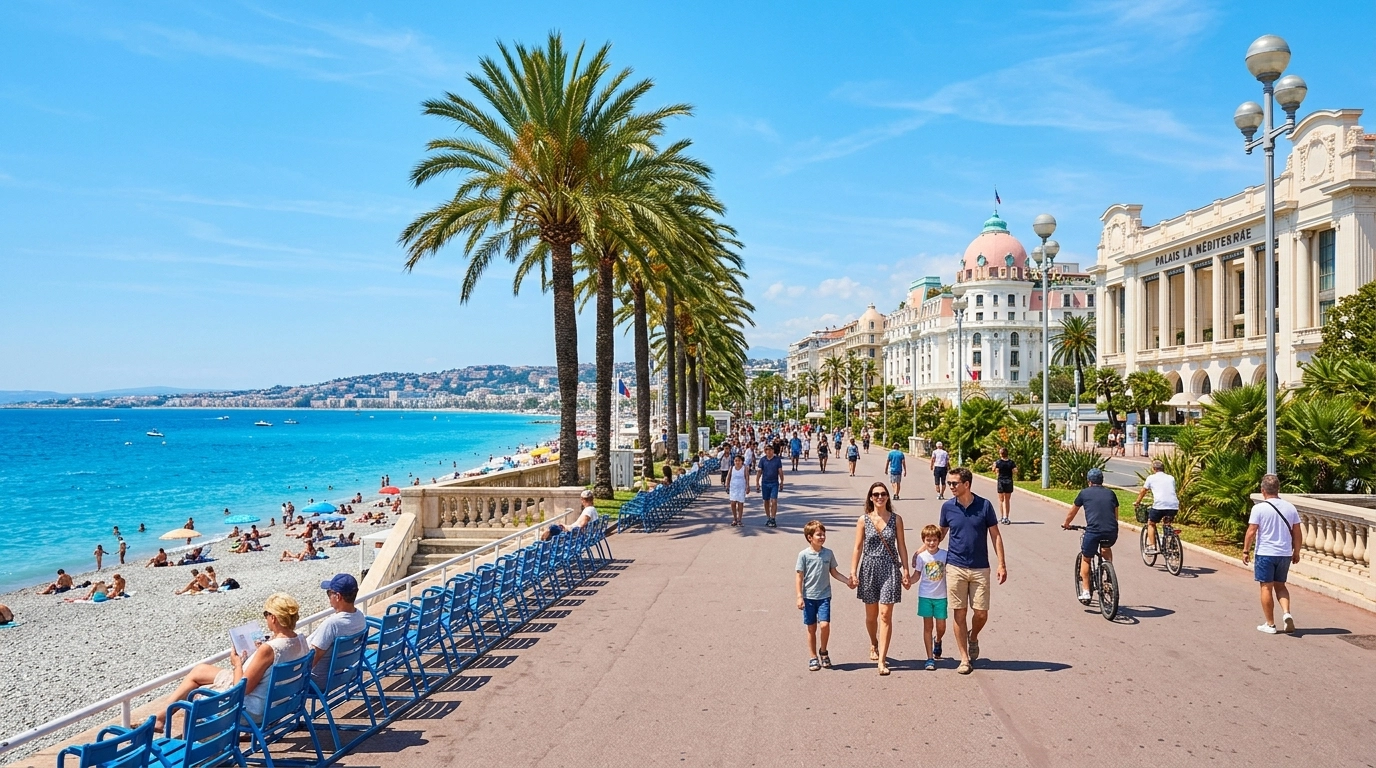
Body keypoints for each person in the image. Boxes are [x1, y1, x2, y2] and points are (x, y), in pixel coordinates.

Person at [154, 593, 310, 732]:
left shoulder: (269, 650)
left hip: (254, 711)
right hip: (280, 704)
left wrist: (237, 664)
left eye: (266, 614)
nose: (266, 618)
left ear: (273, 617)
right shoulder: (301, 640)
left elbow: (240, 691)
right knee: (199, 671)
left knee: (197, 697)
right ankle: (162, 716)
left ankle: (200, 749)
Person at [940, 467, 1007, 675]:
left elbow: (995, 535)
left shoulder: (984, 506)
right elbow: (940, 533)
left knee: (981, 613)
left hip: (980, 567)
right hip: (955, 566)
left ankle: (974, 636)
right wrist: (922, 551)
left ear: (966, 484)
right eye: (949, 483)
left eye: (954, 483)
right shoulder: (947, 507)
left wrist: (1001, 564)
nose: (950, 486)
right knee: (959, 613)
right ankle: (964, 658)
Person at [850, 482, 910, 676]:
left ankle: (882, 660)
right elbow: (858, 547)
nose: (879, 497)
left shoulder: (896, 520)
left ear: (887, 497)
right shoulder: (863, 520)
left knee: (885, 615)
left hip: (890, 569)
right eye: (876, 494)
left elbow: (901, 545)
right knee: (871, 616)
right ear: (870, 498)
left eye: (883, 494)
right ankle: (873, 643)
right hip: (869, 568)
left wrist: (906, 569)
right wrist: (853, 571)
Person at [1244, 474, 1302, 634]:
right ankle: (1286, 613)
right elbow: (1297, 532)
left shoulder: (1259, 508)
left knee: (1266, 587)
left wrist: (1245, 550)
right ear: (1278, 489)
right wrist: (1296, 551)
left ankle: (1270, 624)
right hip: (1284, 553)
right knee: (1281, 586)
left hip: (1265, 553)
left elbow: (1251, 531)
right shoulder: (1290, 508)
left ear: (1263, 491)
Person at [795, 520, 853, 671]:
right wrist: (799, 596)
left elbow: (834, 572)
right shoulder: (804, 555)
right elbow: (799, 576)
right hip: (809, 597)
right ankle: (813, 657)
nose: (822, 537)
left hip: (824, 596)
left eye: (823, 534)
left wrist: (847, 581)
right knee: (811, 628)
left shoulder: (828, 553)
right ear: (810, 537)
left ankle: (824, 651)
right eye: (818, 535)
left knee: (825, 625)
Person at [1062, 468, 1118, 604]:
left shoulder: (1084, 493)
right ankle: (1108, 569)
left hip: (1093, 532)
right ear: (1102, 481)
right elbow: (1115, 514)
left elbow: (1072, 511)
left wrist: (1066, 524)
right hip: (1111, 531)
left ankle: (1086, 591)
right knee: (1105, 547)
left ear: (1089, 482)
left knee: (1086, 558)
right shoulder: (1111, 493)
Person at [309, 574, 367, 686]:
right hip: (339, 675)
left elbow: (314, 657)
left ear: (338, 596)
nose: (329, 597)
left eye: (329, 593)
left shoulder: (332, 624)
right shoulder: (360, 617)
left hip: (319, 681)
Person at [911, 524, 949, 671]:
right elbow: (916, 575)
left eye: (934, 540)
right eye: (928, 540)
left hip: (941, 596)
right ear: (923, 540)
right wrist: (908, 581)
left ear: (939, 540)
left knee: (941, 626)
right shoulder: (921, 557)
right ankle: (929, 658)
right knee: (928, 627)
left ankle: (938, 640)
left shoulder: (945, 555)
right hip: (925, 596)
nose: (931, 543)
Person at [1135, 460, 1179, 555]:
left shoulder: (1151, 478)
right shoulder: (1171, 478)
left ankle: (1152, 545)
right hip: (1173, 506)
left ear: (1154, 469)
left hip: (1159, 505)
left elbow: (1143, 491)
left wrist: (1137, 502)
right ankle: (1171, 543)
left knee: (1151, 523)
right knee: (1167, 524)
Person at [757, 443, 784, 528]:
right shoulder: (762, 460)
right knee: (766, 501)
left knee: (774, 501)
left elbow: (780, 471)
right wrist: (757, 482)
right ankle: (768, 517)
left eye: (770, 450)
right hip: (765, 483)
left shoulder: (777, 460)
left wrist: (782, 481)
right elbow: (759, 472)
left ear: (773, 451)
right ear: (765, 451)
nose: (769, 451)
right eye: (767, 450)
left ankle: (773, 518)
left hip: (774, 483)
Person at [993, 447, 1017, 525]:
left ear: (1000, 454)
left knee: (1001, 500)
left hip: (1001, 481)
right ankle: (1006, 517)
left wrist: (995, 467)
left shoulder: (998, 462)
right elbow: (1015, 471)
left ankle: (1002, 516)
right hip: (1009, 481)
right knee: (1007, 500)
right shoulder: (1011, 462)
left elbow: (994, 470)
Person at [725, 454, 749, 527]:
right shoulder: (731, 468)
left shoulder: (744, 468)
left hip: (741, 487)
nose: (737, 462)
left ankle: (739, 520)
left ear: (742, 461)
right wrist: (727, 485)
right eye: (736, 461)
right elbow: (728, 477)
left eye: (739, 460)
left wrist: (747, 486)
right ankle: (734, 518)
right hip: (733, 487)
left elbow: (747, 478)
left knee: (740, 503)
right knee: (733, 503)